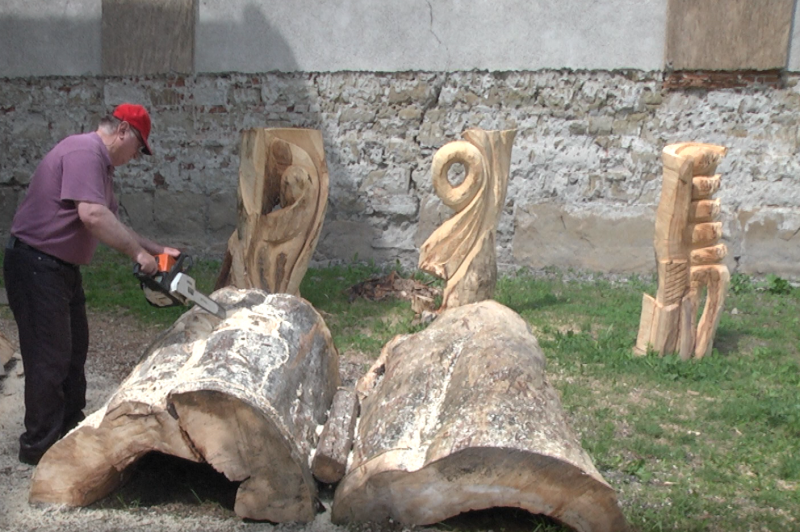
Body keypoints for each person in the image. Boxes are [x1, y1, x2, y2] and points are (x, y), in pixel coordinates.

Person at [3, 103, 180, 465]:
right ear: (123, 131)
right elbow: (93, 216)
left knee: (73, 352)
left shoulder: (101, 166)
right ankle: (39, 447)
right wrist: (138, 255)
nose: (136, 157)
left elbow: (111, 220)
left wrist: (156, 250)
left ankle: (69, 430)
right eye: (138, 148)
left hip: (60, 269)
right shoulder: (84, 151)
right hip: (36, 264)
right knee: (49, 358)